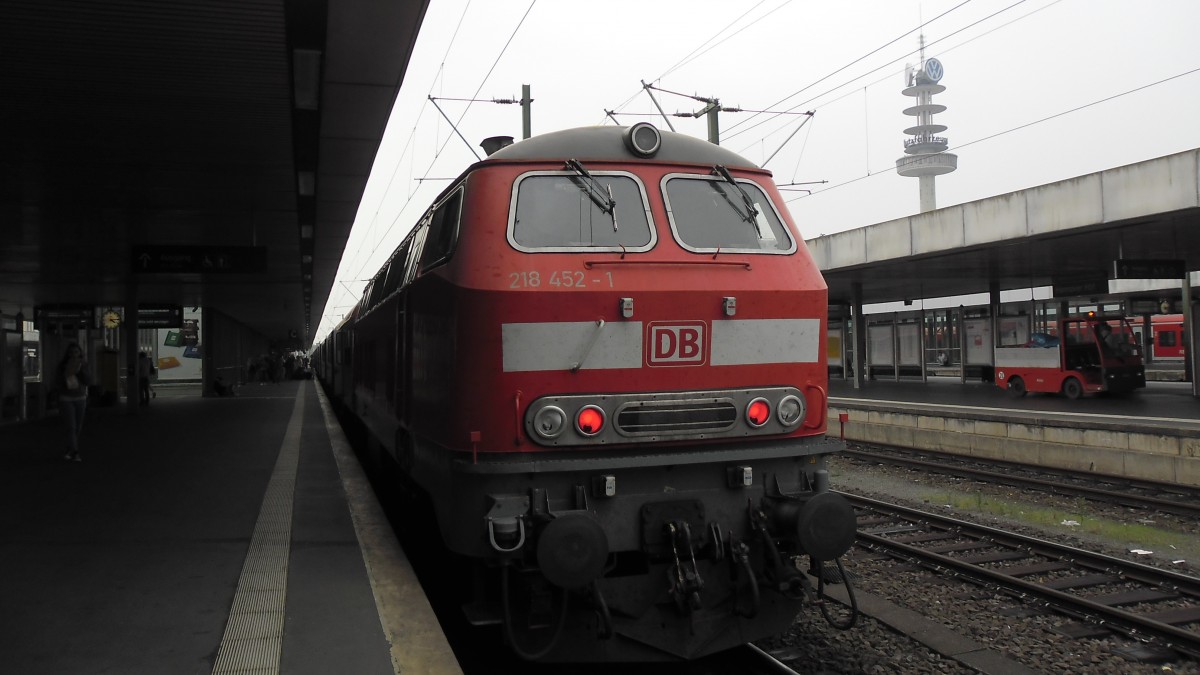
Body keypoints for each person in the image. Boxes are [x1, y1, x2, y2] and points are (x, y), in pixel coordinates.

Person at [55, 343, 92, 462]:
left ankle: (69, 448)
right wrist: (67, 372)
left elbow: (87, 380)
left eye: (76, 352)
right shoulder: (62, 366)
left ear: (80, 353)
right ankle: (75, 452)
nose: (74, 355)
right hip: (66, 398)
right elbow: (58, 381)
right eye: (71, 352)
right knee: (71, 426)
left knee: (78, 427)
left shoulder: (83, 365)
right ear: (68, 354)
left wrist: (79, 371)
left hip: (80, 397)